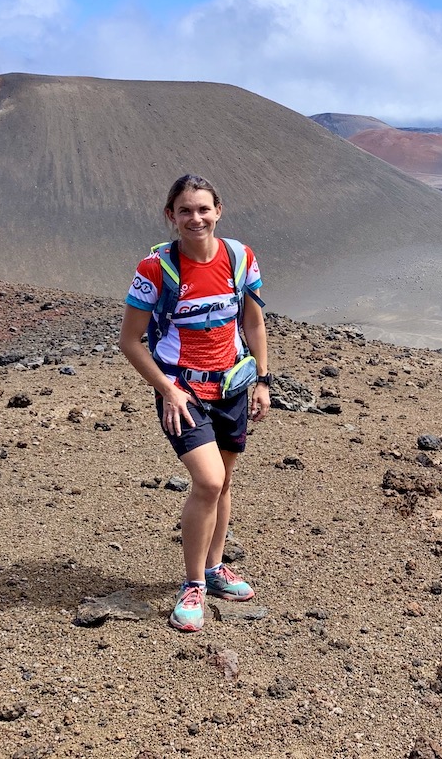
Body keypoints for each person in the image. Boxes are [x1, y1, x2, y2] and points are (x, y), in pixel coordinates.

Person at [119, 174, 271, 632]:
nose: (195, 218)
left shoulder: (240, 257)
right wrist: (167, 388)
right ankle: (193, 585)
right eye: (185, 210)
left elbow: (255, 324)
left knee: (224, 484)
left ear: (218, 210)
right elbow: (130, 341)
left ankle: (214, 566)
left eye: (203, 209)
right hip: (182, 393)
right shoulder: (156, 270)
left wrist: (263, 380)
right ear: (171, 216)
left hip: (232, 388)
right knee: (207, 481)